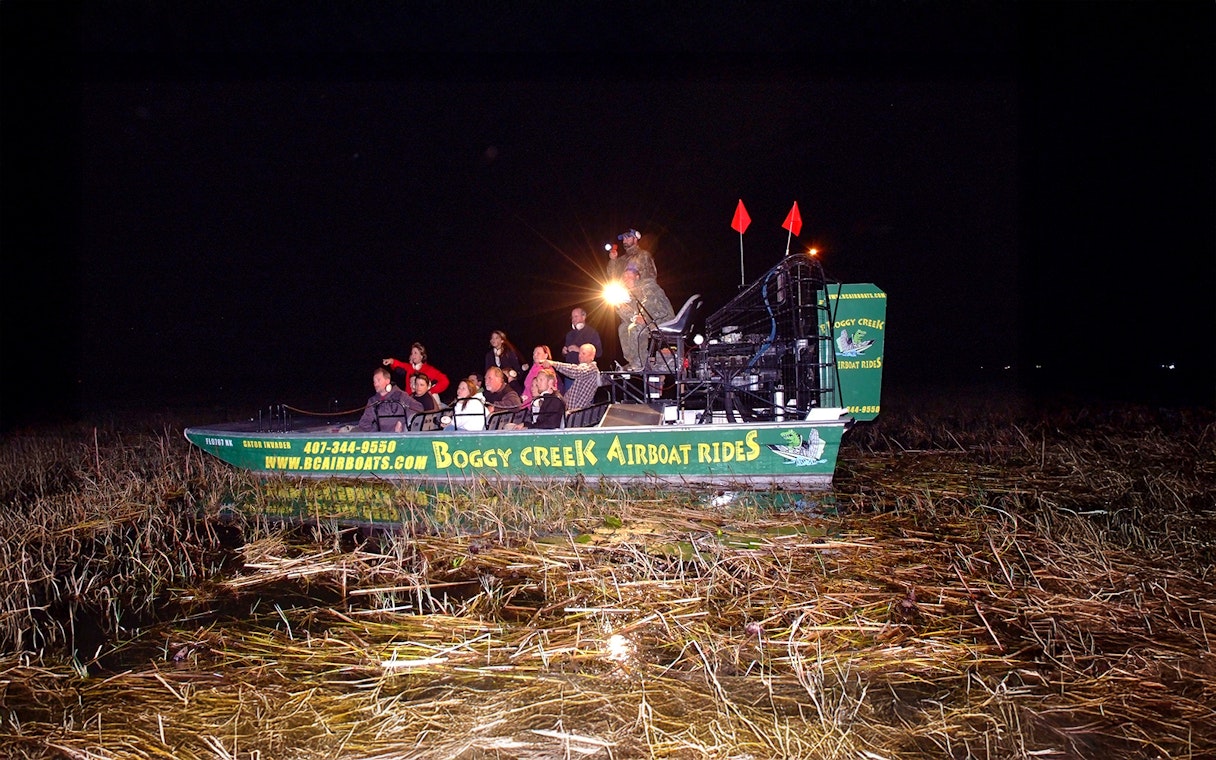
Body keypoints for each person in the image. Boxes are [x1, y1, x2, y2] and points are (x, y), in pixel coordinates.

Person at [616, 262, 675, 371]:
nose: (626, 279)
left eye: (629, 276)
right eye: (624, 277)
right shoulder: (629, 294)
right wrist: (621, 306)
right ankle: (633, 361)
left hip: (663, 318)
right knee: (623, 328)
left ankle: (640, 364)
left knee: (635, 328)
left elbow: (649, 303)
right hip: (649, 320)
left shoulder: (648, 285)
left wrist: (642, 317)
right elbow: (630, 317)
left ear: (637, 277)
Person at [358, 366, 422, 432]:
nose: (375, 384)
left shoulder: (400, 395)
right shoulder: (372, 401)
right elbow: (364, 423)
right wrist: (375, 434)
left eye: (378, 380)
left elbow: (418, 407)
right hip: (381, 438)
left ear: (387, 381)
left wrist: (402, 423)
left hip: (399, 437)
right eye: (374, 381)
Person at [543, 342, 601, 411]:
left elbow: (576, 371)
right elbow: (571, 397)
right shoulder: (584, 368)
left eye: (583, 353)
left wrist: (553, 363)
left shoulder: (592, 369)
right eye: (579, 353)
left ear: (592, 356)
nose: (580, 355)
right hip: (568, 411)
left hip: (576, 414)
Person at [383, 342, 449, 396]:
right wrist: (391, 361)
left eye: (415, 353)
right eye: (412, 353)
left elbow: (445, 381)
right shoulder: (409, 367)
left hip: (423, 401)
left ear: (422, 356)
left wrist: (431, 391)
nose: (413, 356)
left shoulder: (429, 369)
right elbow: (398, 364)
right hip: (409, 399)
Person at [562, 306, 602, 392]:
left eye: (576, 316)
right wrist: (564, 352)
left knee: (585, 404)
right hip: (570, 374)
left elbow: (599, 352)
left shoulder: (592, 333)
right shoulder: (569, 334)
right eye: (572, 317)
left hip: (585, 375)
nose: (573, 319)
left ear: (583, 317)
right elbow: (566, 354)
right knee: (568, 402)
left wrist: (579, 349)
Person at [485, 330, 526, 395]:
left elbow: (518, 371)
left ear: (502, 340)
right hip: (496, 386)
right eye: (492, 338)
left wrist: (510, 374)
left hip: (510, 384)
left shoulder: (509, 353)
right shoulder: (489, 355)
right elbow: (487, 372)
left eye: (496, 338)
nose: (493, 340)